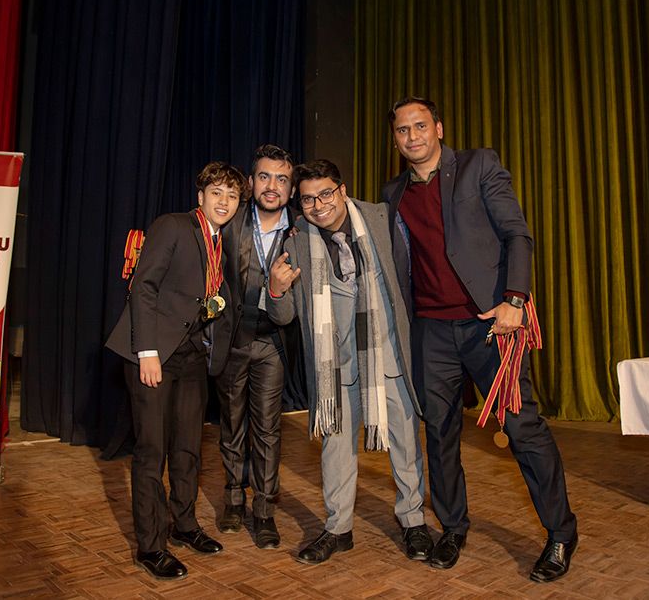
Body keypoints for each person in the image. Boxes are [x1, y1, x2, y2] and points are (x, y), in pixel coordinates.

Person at [382, 96, 578, 582]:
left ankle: (560, 532)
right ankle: (453, 527)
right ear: (395, 139)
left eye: (420, 126)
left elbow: (517, 235)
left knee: (523, 428)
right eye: (403, 130)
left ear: (439, 128)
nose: (412, 136)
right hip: (431, 330)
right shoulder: (393, 193)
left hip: (492, 323)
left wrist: (515, 299)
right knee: (440, 432)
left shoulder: (478, 166)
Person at [267, 159, 433, 565]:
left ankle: (413, 521)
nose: (318, 205)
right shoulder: (296, 242)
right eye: (308, 199)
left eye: (326, 194)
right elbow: (284, 317)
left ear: (342, 191)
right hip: (335, 367)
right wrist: (275, 290)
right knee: (336, 449)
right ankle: (338, 529)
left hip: (387, 354)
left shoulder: (381, 218)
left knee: (405, 441)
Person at [106, 161, 246, 581]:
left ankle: (184, 525)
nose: (224, 201)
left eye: (232, 196)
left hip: (191, 356)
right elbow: (143, 287)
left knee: (187, 448)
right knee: (152, 452)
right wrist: (146, 351)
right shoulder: (173, 226)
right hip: (154, 353)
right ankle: (151, 546)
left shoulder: (221, 241)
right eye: (216, 193)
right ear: (200, 197)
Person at [215, 144, 297, 548]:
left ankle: (264, 510)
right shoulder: (229, 222)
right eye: (264, 176)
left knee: (267, 428)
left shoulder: (302, 231)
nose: (272, 186)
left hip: (273, 343)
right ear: (250, 182)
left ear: (291, 189)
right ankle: (233, 499)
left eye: (281, 179)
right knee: (232, 424)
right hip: (232, 341)